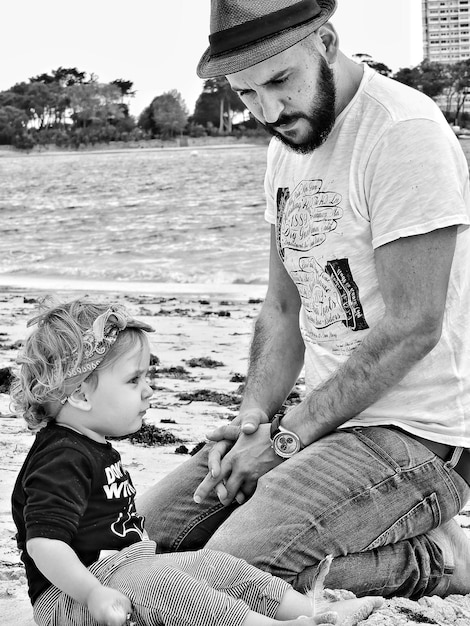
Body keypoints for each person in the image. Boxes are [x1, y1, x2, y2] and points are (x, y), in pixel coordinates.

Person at [138, 0, 470, 601]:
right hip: (326, 422)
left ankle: (439, 558)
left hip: (421, 433)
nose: (268, 111)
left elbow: (414, 325)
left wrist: (286, 442)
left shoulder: (402, 133)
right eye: (246, 95)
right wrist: (251, 423)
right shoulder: (285, 146)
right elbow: (283, 308)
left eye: (279, 82)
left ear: (326, 41)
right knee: (148, 539)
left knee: (228, 577)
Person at [10, 298, 382, 626]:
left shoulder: (89, 444)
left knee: (215, 565)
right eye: (133, 379)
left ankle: (309, 609)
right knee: (165, 586)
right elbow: (44, 544)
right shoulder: (60, 458)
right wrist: (92, 593)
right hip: (70, 600)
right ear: (79, 394)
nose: (149, 389)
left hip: (123, 572)